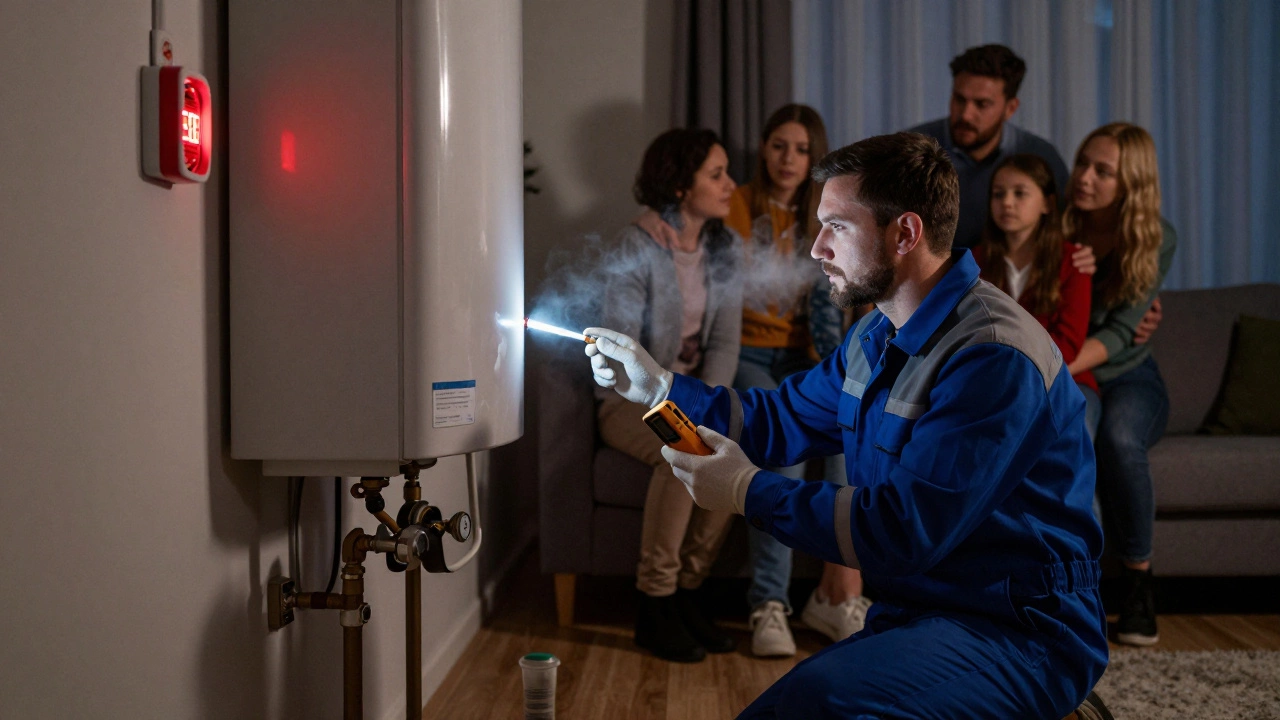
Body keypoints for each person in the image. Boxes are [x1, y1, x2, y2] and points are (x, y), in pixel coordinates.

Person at [586, 132, 1108, 717]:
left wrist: (745, 490)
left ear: (904, 234)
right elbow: (777, 420)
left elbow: (903, 530)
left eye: (836, 226)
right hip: (922, 611)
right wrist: (660, 386)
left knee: (817, 702)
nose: (815, 248)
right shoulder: (874, 335)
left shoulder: (993, 355)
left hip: (1020, 628)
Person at [722, 104, 870, 657]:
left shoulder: (828, 212)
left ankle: (836, 597)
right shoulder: (738, 204)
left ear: (816, 157)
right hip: (750, 352)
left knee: (843, 447)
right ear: (764, 148)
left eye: (802, 149)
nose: (790, 158)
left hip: (806, 354)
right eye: (780, 145)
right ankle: (768, 604)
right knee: (779, 453)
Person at [594, 128, 743, 664]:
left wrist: (708, 403)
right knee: (684, 449)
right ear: (682, 185)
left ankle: (688, 591)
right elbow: (619, 344)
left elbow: (726, 341)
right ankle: (654, 603)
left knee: (729, 451)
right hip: (630, 403)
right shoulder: (637, 246)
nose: (730, 184)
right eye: (716, 174)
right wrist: (667, 395)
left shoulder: (726, 251)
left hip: (693, 398)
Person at [1063, 123, 1177, 647]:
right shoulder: (1058, 225)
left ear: (1129, 183)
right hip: (1076, 372)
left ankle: (1138, 583)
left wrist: (1057, 366)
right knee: (1073, 440)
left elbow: (1120, 330)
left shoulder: (1157, 238)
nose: (1084, 177)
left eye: (1102, 171)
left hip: (1128, 373)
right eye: (1083, 163)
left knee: (1120, 440)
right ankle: (1077, 589)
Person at [910, 44, 1070, 251]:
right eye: (959, 99)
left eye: (982, 104)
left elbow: (1065, 229)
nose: (966, 114)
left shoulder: (1039, 156)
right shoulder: (913, 149)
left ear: (1010, 108)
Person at [973, 153, 1097, 398]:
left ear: (1047, 204)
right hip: (993, 381)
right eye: (998, 194)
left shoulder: (1072, 261)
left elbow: (1068, 344)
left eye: (1020, 193)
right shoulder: (975, 261)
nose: (1007, 203)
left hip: (1063, 381)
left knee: (1071, 432)